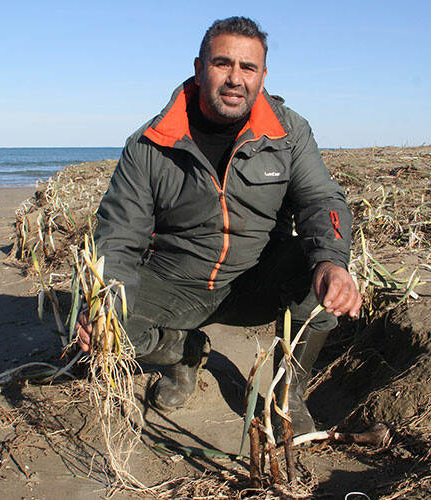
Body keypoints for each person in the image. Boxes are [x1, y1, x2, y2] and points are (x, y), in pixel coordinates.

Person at [76, 16, 361, 437]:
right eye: (222, 63)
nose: (235, 79)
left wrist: (332, 262)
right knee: (90, 322)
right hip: (178, 281)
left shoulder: (289, 131)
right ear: (198, 67)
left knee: (316, 273)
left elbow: (322, 200)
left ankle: (288, 396)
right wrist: (104, 305)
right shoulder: (148, 143)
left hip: (256, 280)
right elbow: (119, 236)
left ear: (263, 76)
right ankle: (181, 351)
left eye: (248, 68)